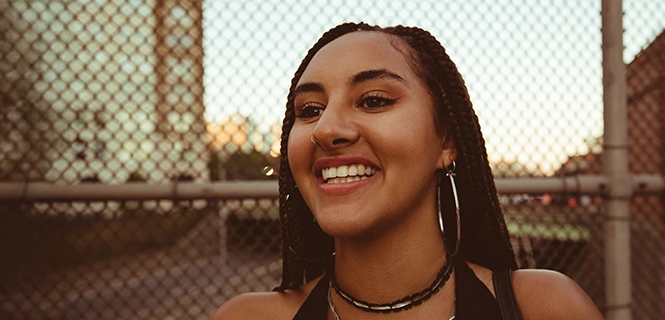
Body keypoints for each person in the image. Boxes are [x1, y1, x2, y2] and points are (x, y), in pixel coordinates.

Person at [213, 22, 601, 320]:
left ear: (447, 140)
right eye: (309, 110)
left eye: (374, 100)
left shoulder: (544, 308)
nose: (326, 129)